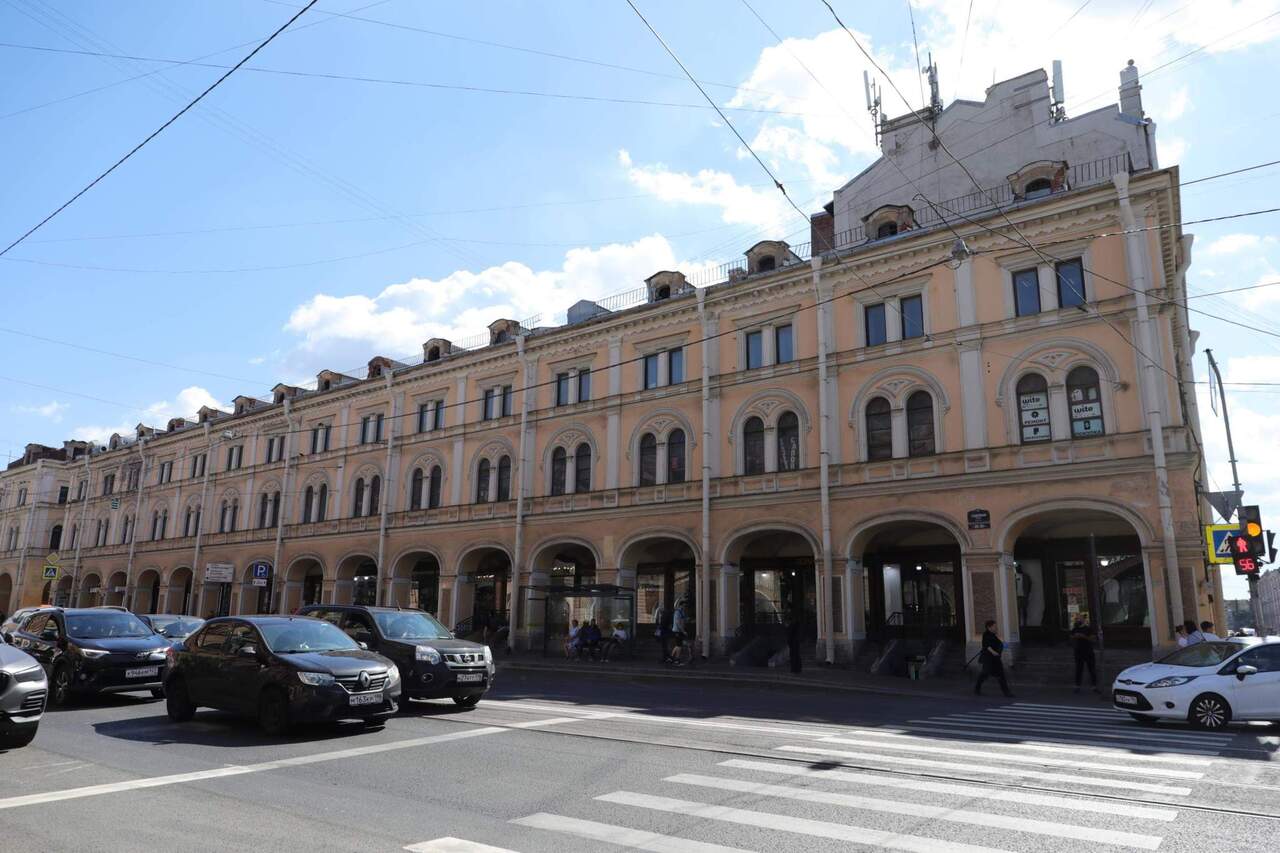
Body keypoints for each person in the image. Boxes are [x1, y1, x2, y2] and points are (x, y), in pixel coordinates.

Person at [974, 619, 1013, 697]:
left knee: (1001, 675)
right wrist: (993, 652)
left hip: (996, 659)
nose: (996, 628)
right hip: (988, 659)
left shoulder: (993, 636)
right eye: (994, 626)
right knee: (984, 674)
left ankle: (1006, 692)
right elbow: (986, 645)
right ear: (989, 627)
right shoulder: (986, 635)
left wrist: (1003, 648)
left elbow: (1000, 643)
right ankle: (977, 688)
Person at [1070, 618, 1098, 693]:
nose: (1078, 621)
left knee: (1092, 669)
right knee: (1078, 670)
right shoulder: (1074, 629)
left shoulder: (1088, 629)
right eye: (1077, 620)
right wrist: (1074, 637)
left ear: (1083, 621)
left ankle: (1094, 687)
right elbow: (1071, 638)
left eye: (1080, 620)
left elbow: (1093, 639)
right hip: (1078, 652)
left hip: (1088, 652)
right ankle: (1077, 686)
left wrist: (1083, 636)